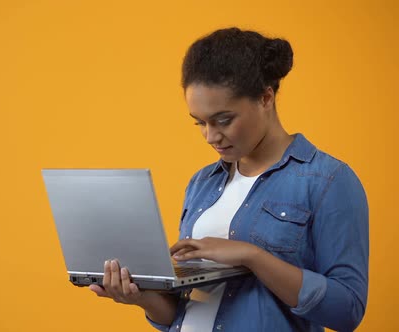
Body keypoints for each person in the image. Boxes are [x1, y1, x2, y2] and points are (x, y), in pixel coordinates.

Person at [88, 27, 369, 332]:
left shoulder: (328, 181)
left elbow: (348, 310)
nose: (210, 136)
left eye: (223, 120)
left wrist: (252, 257)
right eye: (200, 122)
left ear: (265, 97)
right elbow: (185, 311)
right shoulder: (202, 184)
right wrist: (141, 297)